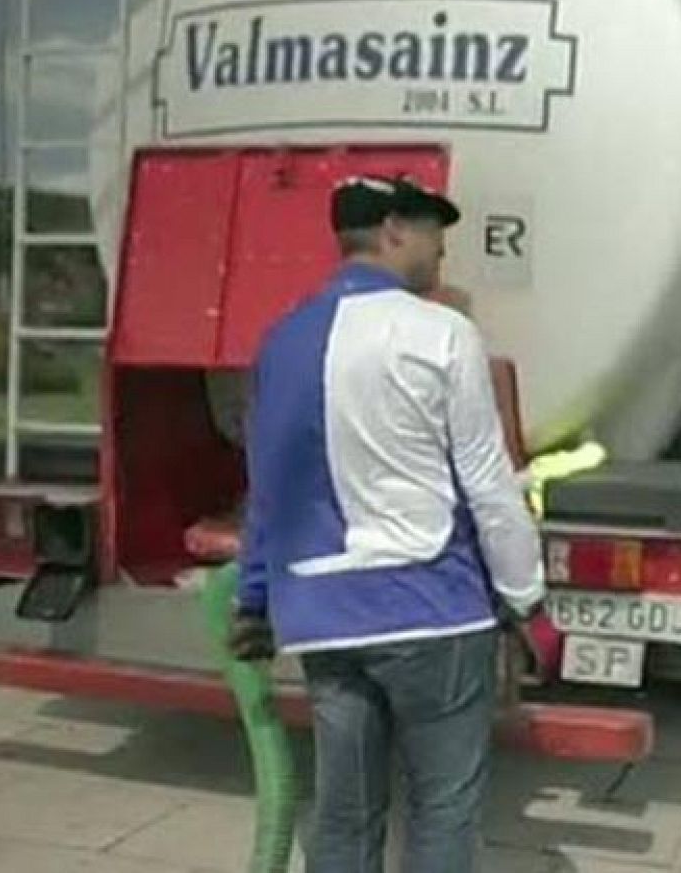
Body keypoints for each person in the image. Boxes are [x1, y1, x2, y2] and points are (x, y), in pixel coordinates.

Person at [227, 175, 546, 872]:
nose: (441, 250)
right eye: (435, 231)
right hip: (433, 611)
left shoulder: (280, 341)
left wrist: (253, 599)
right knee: (443, 810)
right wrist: (526, 597)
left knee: (344, 814)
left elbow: (268, 488)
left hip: (327, 620)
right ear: (395, 230)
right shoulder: (441, 332)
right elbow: (489, 485)